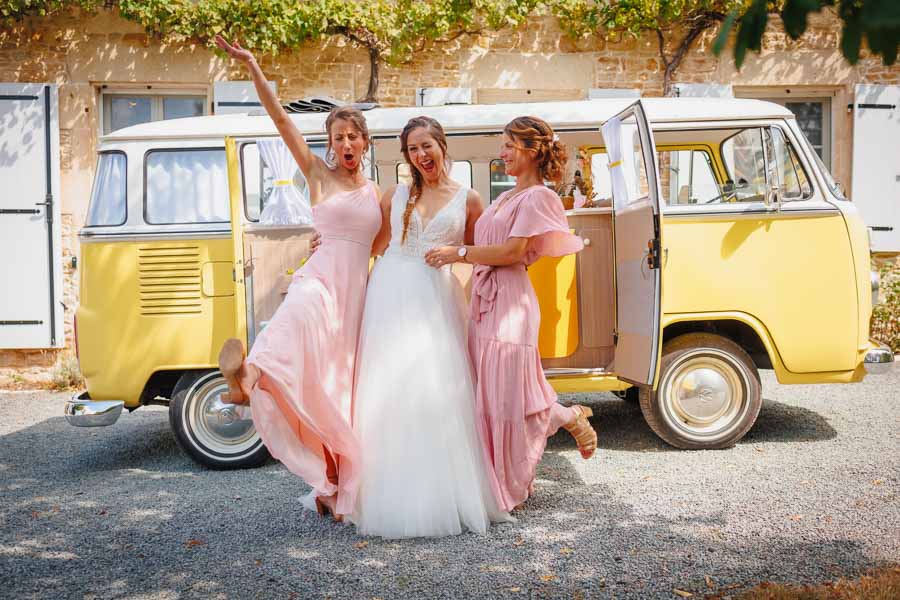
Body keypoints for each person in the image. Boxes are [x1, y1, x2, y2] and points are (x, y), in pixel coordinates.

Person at [214, 36, 387, 520]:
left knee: (337, 389)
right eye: (338, 137)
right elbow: (281, 120)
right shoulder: (316, 174)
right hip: (320, 277)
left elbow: (380, 244)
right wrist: (252, 67)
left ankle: (333, 485)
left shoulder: (377, 192)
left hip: (356, 294)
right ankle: (247, 375)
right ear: (329, 144)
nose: (346, 144)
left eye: (354, 136)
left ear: (365, 142)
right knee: (293, 315)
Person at [425, 116, 597, 512]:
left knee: (508, 398)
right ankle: (499, 480)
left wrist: (459, 255)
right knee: (488, 398)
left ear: (531, 151)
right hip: (485, 301)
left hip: (510, 304)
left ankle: (521, 472)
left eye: (508, 146)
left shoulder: (538, 197)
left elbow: (513, 253)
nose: (501, 153)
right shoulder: (505, 197)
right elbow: (482, 241)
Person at [351, 116, 511, 537]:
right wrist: (328, 244)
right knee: (389, 392)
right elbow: (373, 247)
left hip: (437, 300)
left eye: (428, 146)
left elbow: (477, 253)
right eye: (413, 149)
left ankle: (445, 496)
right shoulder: (395, 195)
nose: (422, 156)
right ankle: (389, 496)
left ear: (442, 145)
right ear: (406, 157)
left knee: (437, 391)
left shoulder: (470, 199)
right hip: (390, 294)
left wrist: (457, 254)